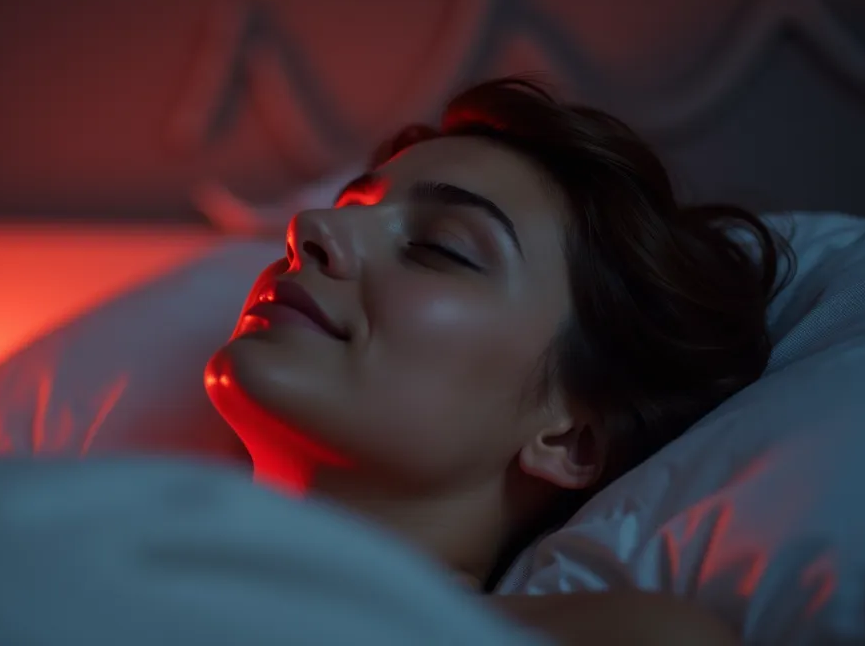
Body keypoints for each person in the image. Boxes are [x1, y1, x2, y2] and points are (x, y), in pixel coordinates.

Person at [204, 77, 790, 644]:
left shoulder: (611, 637)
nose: (311, 226)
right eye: (348, 206)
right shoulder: (128, 532)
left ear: (569, 441)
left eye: (438, 247)